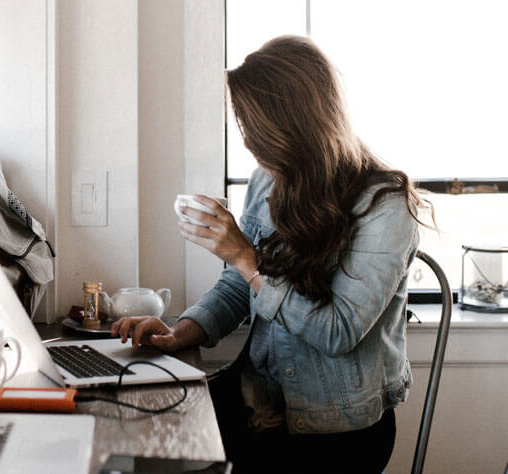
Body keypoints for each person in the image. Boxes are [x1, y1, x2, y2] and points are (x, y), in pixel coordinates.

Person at [112, 35, 433, 473]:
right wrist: (180, 331)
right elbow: (238, 284)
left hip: (335, 432)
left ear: (297, 124)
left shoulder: (386, 207)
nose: (248, 144)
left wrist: (246, 256)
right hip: (259, 400)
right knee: (142, 433)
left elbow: (338, 332)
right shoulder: (268, 181)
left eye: (255, 130)